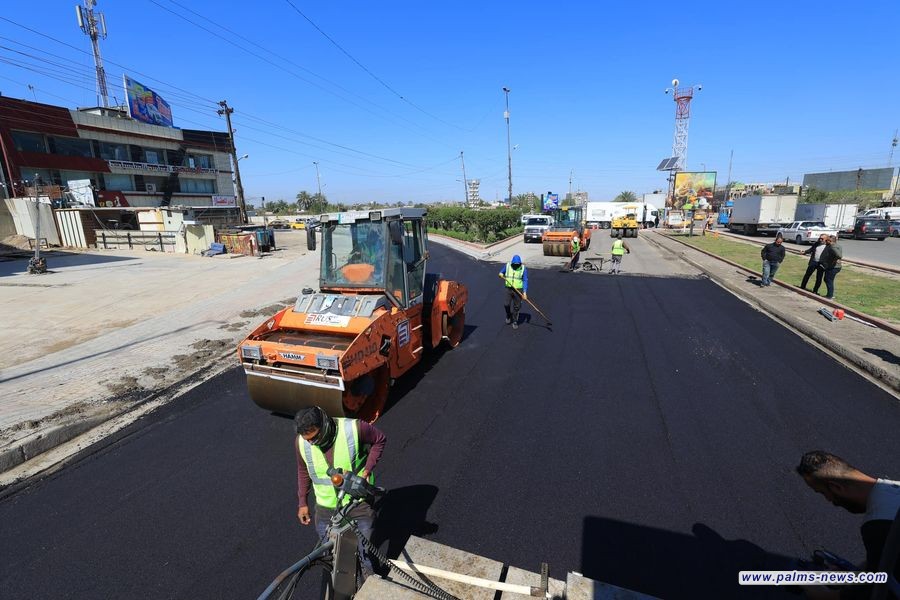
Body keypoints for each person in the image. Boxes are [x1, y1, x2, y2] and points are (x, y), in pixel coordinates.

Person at [295, 407, 387, 575]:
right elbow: (303, 470)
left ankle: (369, 586)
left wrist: (366, 471)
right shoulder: (302, 442)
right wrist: (302, 502)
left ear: (325, 425)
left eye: (315, 437)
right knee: (332, 557)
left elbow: (379, 439)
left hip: (358, 504)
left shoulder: (354, 429)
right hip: (325, 509)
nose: (312, 443)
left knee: (366, 555)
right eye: (307, 439)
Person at [796, 451, 900, 600]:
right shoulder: (894, 490)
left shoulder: (878, 524)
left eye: (823, 493)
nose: (829, 500)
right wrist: (851, 576)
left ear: (836, 487)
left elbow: (877, 588)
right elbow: (884, 561)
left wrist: (825, 595)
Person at [499, 254, 527, 329]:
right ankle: (508, 315)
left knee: (517, 307)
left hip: (518, 290)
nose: (516, 266)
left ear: (520, 263)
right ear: (512, 263)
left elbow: (525, 280)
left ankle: (515, 321)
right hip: (509, 288)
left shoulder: (523, 268)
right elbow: (501, 272)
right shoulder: (508, 266)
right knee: (506, 304)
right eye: (515, 264)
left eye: (518, 264)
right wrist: (501, 274)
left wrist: (524, 292)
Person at [819, 235, 842, 300]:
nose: (825, 241)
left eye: (827, 240)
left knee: (828, 280)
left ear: (830, 241)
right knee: (828, 280)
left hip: (833, 267)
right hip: (832, 266)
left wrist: (836, 260)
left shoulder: (833, 247)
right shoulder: (837, 246)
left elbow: (839, 255)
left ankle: (830, 296)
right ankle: (830, 294)